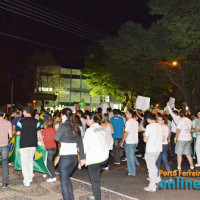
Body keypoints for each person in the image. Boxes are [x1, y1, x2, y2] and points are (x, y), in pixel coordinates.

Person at [54, 108, 85, 200]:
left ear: (64, 115)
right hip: (74, 159)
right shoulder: (76, 127)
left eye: (61, 116)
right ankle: (71, 198)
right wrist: (82, 158)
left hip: (65, 158)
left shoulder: (62, 126)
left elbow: (56, 137)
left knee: (63, 181)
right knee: (67, 178)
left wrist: (61, 139)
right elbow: (81, 144)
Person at [16, 106, 44, 187]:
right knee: (30, 160)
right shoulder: (36, 121)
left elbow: (18, 133)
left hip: (24, 144)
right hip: (33, 143)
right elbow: (39, 132)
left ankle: (26, 181)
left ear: (24, 112)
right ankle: (30, 176)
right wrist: (42, 142)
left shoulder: (21, 121)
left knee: (24, 162)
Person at [83, 112, 109, 200]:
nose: (86, 121)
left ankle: (97, 197)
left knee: (95, 181)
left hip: (95, 159)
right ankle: (95, 195)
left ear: (92, 120)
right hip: (104, 157)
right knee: (96, 178)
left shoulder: (89, 130)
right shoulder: (102, 128)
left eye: (87, 119)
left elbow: (84, 146)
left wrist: (83, 158)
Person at [143, 113, 163, 192]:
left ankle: (152, 186)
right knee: (154, 167)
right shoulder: (160, 126)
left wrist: (144, 134)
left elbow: (145, 139)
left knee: (151, 169)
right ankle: (158, 181)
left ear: (148, 119)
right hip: (158, 149)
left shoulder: (149, 126)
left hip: (150, 150)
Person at [120, 110, 138, 176]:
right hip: (135, 141)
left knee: (130, 157)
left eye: (127, 113)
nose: (125, 114)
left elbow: (126, 132)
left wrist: (122, 141)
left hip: (130, 141)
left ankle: (132, 172)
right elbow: (139, 129)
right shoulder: (135, 121)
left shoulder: (128, 122)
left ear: (130, 114)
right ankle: (131, 169)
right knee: (131, 156)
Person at [156, 114, 172, 181]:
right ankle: (170, 178)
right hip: (165, 145)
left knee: (158, 162)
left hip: (160, 145)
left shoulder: (160, 127)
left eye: (159, 120)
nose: (158, 121)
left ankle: (158, 177)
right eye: (157, 120)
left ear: (163, 121)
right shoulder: (166, 127)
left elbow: (161, 137)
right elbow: (167, 137)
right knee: (165, 162)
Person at [0, 107, 12, 188]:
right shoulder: (8, 123)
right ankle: (5, 183)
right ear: (4, 115)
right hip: (4, 145)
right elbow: (10, 135)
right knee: (4, 163)